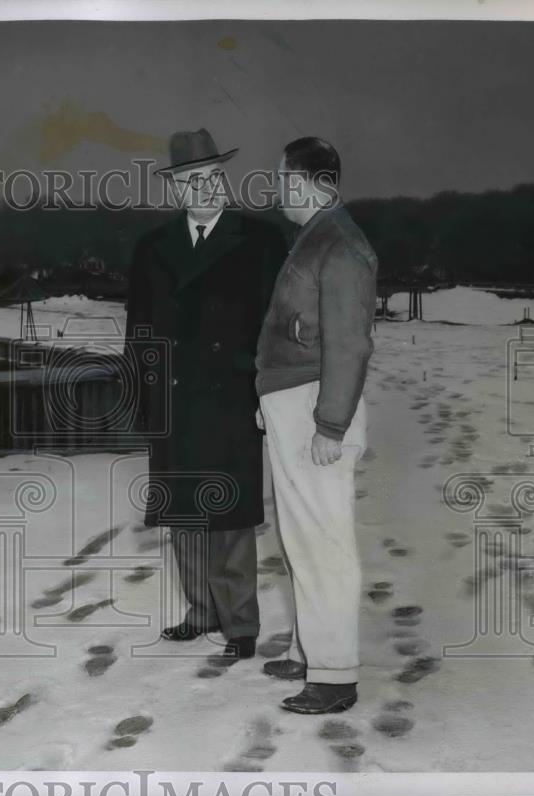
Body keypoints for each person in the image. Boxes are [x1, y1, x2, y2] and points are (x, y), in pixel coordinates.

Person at [124, 129, 286, 660]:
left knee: (232, 517)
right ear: (176, 188)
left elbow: (278, 327)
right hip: (173, 401)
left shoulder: (261, 242)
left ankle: (240, 624)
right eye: (194, 180)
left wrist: (266, 393)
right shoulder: (151, 249)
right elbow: (139, 333)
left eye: (215, 176)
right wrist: (142, 401)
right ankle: (200, 612)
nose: (207, 187)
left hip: (232, 399)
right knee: (183, 514)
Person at [255, 137, 377, 714]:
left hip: (316, 410)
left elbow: (349, 345)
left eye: (280, 178)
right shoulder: (318, 236)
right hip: (295, 402)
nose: (276, 189)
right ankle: (311, 652)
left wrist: (330, 424)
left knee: (323, 540)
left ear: (303, 182)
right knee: (300, 538)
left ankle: (333, 677)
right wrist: (272, 396)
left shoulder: (341, 245)